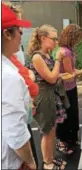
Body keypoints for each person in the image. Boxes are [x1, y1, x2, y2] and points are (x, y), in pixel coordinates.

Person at [2, 1, 39, 168]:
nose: (21, 32)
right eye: (18, 28)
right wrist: (30, 160)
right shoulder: (9, 77)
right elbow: (16, 134)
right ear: (7, 34)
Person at [28, 25, 67, 169]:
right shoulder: (37, 57)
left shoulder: (47, 55)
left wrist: (59, 75)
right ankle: (47, 163)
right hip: (43, 97)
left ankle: (51, 158)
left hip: (51, 95)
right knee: (46, 131)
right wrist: (58, 60)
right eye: (54, 39)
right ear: (43, 38)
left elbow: (52, 76)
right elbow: (50, 78)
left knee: (52, 129)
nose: (56, 42)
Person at [55, 24, 82, 154]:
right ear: (72, 37)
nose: (79, 40)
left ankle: (71, 140)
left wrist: (79, 71)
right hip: (65, 89)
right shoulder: (66, 52)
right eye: (77, 38)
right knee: (67, 115)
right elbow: (69, 73)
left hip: (70, 87)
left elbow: (72, 71)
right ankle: (63, 141)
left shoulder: (68, 49)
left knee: (72, 114)